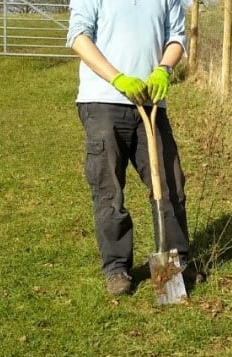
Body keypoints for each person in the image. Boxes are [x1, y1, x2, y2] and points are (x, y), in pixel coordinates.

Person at [66, 0, 192, 296]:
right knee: (108, 187)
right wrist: (117, 77)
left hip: (151, 102)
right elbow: (78, 37)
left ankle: (173, 268)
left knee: (170, 184)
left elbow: (176, 37)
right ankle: (117, 268)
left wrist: (164, 69)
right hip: (103, 101)